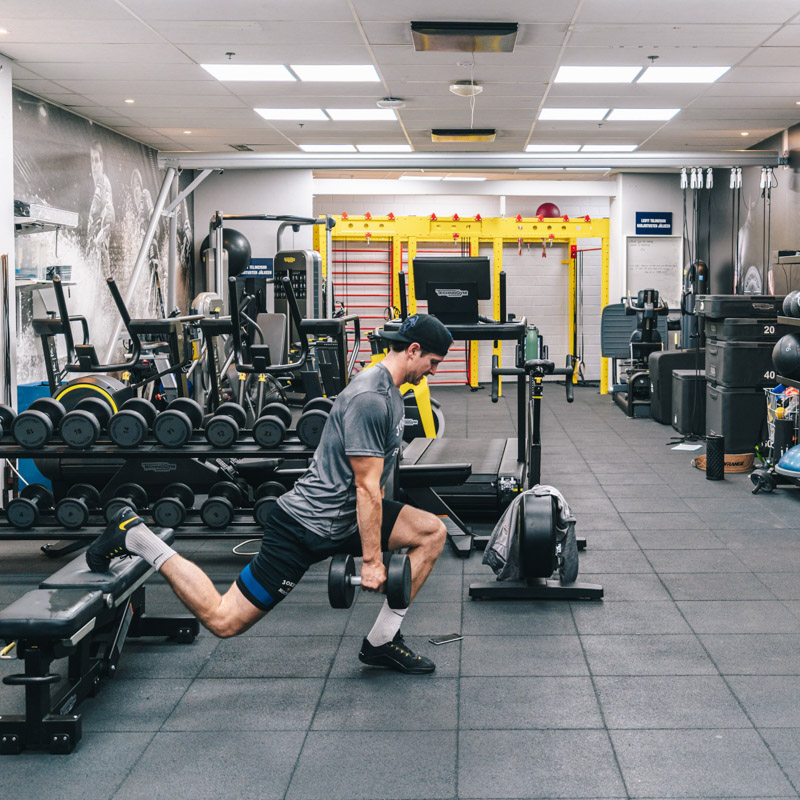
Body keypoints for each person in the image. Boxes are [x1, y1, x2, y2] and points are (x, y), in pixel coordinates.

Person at [86, 313, 454, 674]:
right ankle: (136, 536)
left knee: (430, 532)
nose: (434, 371)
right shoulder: (371, 398)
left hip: (344, 519)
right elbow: (366, 487)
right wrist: (373, 561)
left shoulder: (390, 391)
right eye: (433, 362)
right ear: (413, 350)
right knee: (224, 619)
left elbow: (379, 483)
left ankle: (381, 642)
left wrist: (374, 538)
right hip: (304, 527)